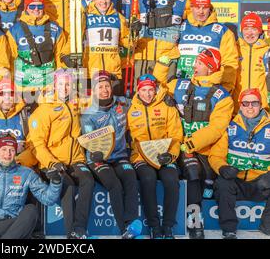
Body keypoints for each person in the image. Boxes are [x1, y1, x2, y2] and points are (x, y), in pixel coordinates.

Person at [154, 48, 234, 239]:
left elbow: (216, 128)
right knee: (192, 173)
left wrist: (191, 144)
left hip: (207, 149)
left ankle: (221, 220)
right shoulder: (181, 85)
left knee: (208, 178)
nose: (194, 66)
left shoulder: (222, 96)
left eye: (199, 63)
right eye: (195, 62)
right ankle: (194, 223)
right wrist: (162, 65)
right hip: (181, 146)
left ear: (210, 68)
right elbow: (156, 86)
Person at [27, 69, 94, 239]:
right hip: (53, 162)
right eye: (61, 84)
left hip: (76, 159)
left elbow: (99, 99)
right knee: (69, 186)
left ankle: (79, 229)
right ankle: (70, 233)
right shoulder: (44, 109)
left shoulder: (75, 102)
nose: (65, 88)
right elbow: (36, 143)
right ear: (54, 85)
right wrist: (51, 163)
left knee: (87, 180)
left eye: (68, 84)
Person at [80, 71, 141, 239]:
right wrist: (96, 153)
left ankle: (132, 225)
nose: (105, 90)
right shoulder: (88, 114)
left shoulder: (122, 102)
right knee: (114, 184)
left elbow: (142, 99)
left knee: (130, 177)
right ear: (93, 90)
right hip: (98, 158)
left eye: (107, 86)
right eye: (100, 87)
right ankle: (124, 230)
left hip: (120, 156)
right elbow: (90, 142)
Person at [127, 74, 183, 239]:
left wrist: (171, 154)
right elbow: (126, 136)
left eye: (151, 89)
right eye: (144, 90)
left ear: (155, 89)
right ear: (138, 91)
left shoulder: (167, 106)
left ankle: (168, 226)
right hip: (141, 157)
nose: (148, 94)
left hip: (164, 155)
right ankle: (154, 226)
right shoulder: (131, 109)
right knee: (148, 179)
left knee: (172, 180)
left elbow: (176, 135)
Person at [210, 89, 270, 239]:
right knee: (222, 183)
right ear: (240, 106)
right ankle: (229, 230)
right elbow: (216, 155)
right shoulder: (230, 127)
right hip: (236, 181)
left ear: (261, 105)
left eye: (254, 103)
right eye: (246, 103)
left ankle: (267, 227)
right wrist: (222, 167)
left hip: (261, 183)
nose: (250, 107)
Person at [6, 0, 68, 107]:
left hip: (47, 86)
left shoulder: (55, 29)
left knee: (46, 120)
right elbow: (10, 59)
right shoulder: (15, 30)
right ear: (26, 8)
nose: (36, 9)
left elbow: (60, 56)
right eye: (32, 6)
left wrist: (61, 80)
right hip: (22, 86)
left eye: (39, 6)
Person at [135, 0, 188, 80]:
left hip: (168, 56)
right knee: (141, 93)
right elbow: (129, 22)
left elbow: (195, 21)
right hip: (144, 54)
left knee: (167, 94)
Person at [177, 0, 239, 92]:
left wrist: (225, 90)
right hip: (181, 85)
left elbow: (230, 63)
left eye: (205, 7)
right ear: (191, 7)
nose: (201, 11)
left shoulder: (222, 31)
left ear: (209, 8)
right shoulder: (180, 26)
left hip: (208, 88)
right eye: (197, 7)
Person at [82, 0, 129, 87]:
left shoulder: (118, 17)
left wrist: (134, 35)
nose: (103, 1)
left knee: (113, 101)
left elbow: (127, 43)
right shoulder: (85, 16)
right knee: (93, 102)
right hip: (91, 70)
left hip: (113, 71)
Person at [233, 13, 270, 111]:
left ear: (260, 31)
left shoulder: (266, 50)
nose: (249, 33)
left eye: (254, 29)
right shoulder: (234, 49)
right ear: (241, 31)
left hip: (261, 107)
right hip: (238, 107)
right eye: (246, 29)